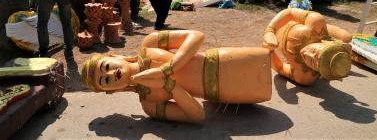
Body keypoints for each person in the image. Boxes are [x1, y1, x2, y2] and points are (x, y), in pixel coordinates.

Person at [81, 30, 272, 123]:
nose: (110, 74)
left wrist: (168, 68)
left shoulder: (150, 44)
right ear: (112, 90)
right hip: (224, 91)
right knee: (260, 87)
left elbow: (196, 36)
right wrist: (170, 86)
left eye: (106, 66)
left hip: (225, 61)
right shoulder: (150, 105)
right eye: (105, 81)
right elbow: (197, 116)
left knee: (263, 61)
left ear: (114, 56)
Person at [263, 8, 352, 86]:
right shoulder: (316, 22)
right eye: (314, 52)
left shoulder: (304, 77)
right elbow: (290, 11)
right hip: (302, 26)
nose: (307, 54)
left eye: (312, 62)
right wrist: (270, 30)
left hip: (286, 45)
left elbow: (280, 68)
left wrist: (269, 51)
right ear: (322, 44)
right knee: (346, 37)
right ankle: (329, 34)